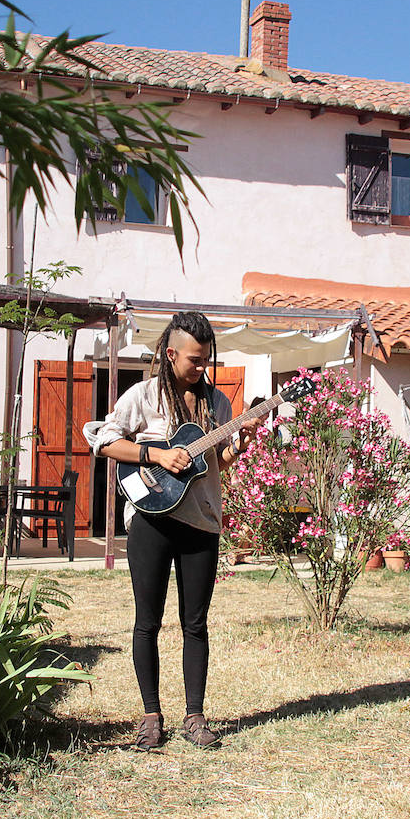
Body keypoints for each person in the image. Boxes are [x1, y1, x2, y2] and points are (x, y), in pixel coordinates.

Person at [91, 310, 255, 750]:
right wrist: (156, 457)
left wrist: (242, 441)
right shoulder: (142, 396)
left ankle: (196, 717)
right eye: (194, 361)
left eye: (206, 360)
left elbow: (217, 462)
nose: (202, 368)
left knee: (195, 623)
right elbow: (105, 441)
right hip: (150, 521)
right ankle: (150, 716)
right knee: (148, 622)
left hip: (201, 521)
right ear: (170, 354)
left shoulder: (218, 405)